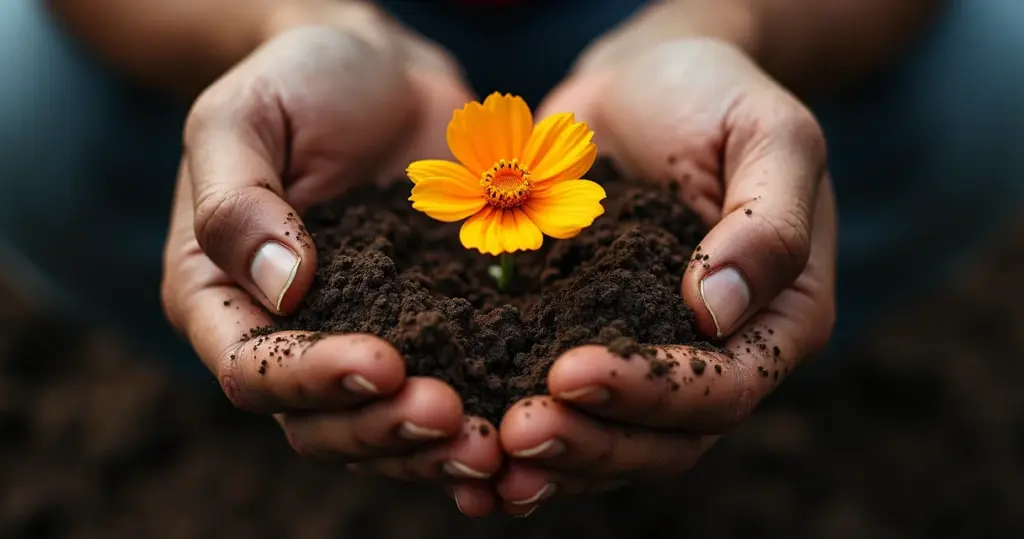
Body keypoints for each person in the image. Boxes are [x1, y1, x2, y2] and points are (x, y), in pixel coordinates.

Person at [1, 0, 1021, 518]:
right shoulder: (474, 196)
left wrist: (721, 23)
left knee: (993, 62)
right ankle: (263, 398)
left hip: (661, 23)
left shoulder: (543, 193)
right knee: (23, 90)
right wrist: (294, 22)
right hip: (329, 32)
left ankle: (734, 392)